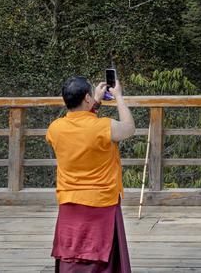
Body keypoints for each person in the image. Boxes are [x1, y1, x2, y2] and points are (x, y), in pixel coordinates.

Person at [46, 74, 136, 272]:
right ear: (86, 98)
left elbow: (81, 124)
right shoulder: (104, 126)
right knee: (101, 255)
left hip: (69, 200)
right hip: (101, 201)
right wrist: (119, 96)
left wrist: (94, 102)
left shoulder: (54, 129)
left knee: (71, 251)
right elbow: (129, 128)